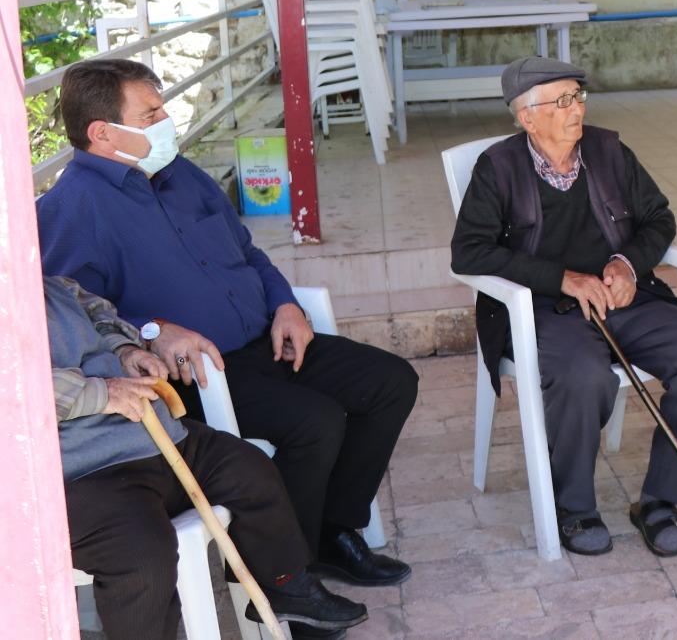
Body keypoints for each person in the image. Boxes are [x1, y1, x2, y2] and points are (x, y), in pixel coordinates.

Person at [36, 59, 417, 587]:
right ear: (103, 133)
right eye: (151, 113)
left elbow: (248, 252)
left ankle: (333, 532)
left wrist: (286, 303)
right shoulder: (70, 209)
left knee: (391, 382)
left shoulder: (181, 174)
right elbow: (73, 315)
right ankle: (288, 577)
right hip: (201, 373)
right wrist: (150, 330)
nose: (167, 120)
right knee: (316, 421)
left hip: (269, 337)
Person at [450, 57, 677, 558]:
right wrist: (560, 278)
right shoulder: (497, 167)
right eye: (560, 101)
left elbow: (658, 218)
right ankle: (574, 508)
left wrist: (626, 264)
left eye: (577, 96)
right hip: (540, 310)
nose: (575, 108)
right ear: (526, 117)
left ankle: (661, 500)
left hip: (621, 296)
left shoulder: (609, 150)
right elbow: (469, 252)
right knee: (585, 376)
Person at [49, 273, 367, 640]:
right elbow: (14, 387)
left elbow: (100, 314)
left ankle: (283, 584)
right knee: (143, 558)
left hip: (152, 434)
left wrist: (126, 350)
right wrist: (100, 392)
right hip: (81, 472)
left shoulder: (51, 284)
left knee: (249, 472)